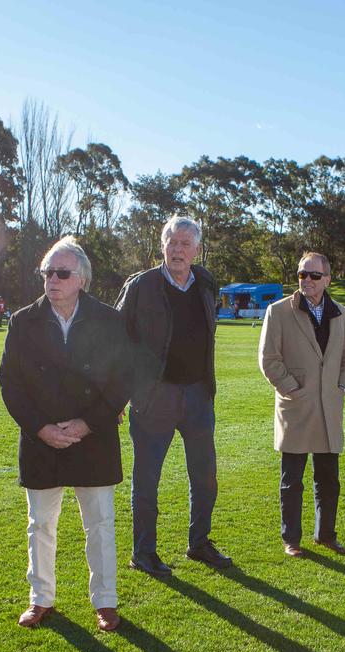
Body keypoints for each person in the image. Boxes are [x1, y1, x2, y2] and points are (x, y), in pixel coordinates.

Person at [0, 238, 130, 631]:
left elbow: (121, 381)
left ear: (82, 280)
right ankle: (41, 600)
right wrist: (40, 428)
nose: (52, 280)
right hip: (42, 440)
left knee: (100, 523)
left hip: (94, 437)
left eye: (61, 273)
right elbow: (10, 383)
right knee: (40, 523)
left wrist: (87, 423)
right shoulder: (23, 321)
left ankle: (105, 602)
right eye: (47, 273)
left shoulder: (110, 321)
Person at [116, 216, 231, 576]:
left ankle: (199, 543)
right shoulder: (140, 286)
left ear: (197, 249)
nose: (178, 250)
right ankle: (143, 553)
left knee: (205, 476)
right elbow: (115, 339)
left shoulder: (206, 283)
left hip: (198, 395)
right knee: (147, 479)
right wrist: (120, 393)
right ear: (162, 245)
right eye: (172, 242)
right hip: (154, 398)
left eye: (185, 243)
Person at [259, 252, 345, 557]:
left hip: (329, 408)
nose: (308, 281)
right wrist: (292, 388)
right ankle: (292, 539)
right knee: (292, 481)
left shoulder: (340, 313)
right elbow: (269, 360)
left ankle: (326, 534)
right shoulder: (278, 312)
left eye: (315, 275)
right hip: (296, 408)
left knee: (328, 479)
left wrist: (341, 386)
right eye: (303, 274)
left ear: (327, 279)